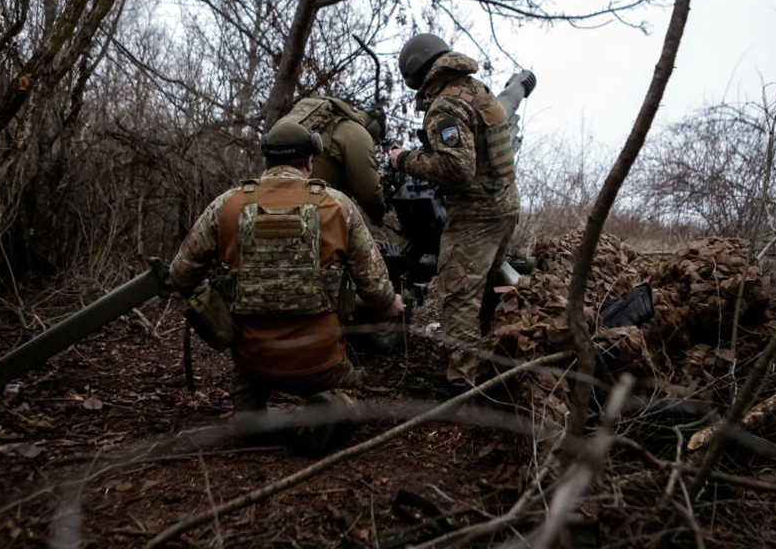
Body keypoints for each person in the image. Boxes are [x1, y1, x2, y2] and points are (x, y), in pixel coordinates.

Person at [170, 118, 404, 415]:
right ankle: (333, 405)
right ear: (309, 161)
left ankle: (248, 405)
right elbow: (376, 288)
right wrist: (390, 302)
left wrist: (214, 299)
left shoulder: (226, 205)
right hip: (320, 361)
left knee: (247, 378)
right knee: (350, 389)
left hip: (252, 360)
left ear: (266, 160)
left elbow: (180, 276)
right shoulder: (337, 205)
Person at [389, 33, 531, 390]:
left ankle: (464, 383)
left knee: (458, 297)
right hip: (504, 206)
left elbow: (458, 168)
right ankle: (490, 364)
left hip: (475, 214)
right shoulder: (476, 90)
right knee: (484, 290)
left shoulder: (445, 106)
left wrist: (404, 159)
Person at [284, 96, 388, 226]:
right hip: (312, 213)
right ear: (374, 130)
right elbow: (369, 193)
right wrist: (379, 216)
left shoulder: (326, 123)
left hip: (274, 201)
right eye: (376, 142)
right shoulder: (356, 132)